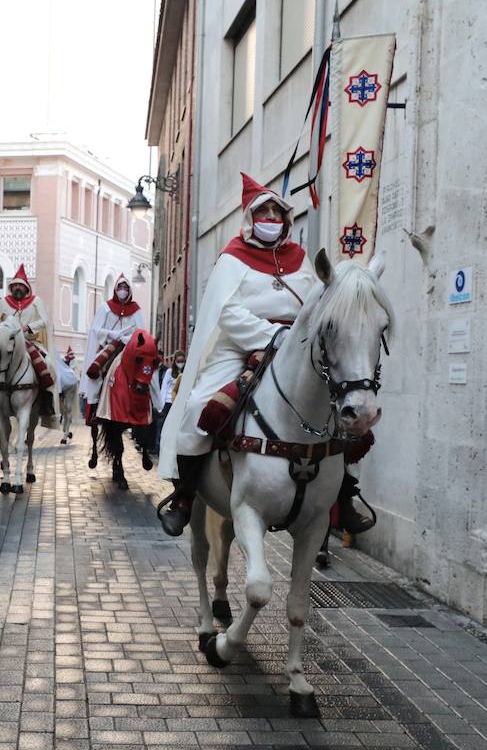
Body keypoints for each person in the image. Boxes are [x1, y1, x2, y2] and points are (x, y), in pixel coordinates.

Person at [156, 173, 320, 536]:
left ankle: (342, 493)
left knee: (336, 401)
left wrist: (297, 336)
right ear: (250, 220)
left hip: (296, 343)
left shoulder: (300, 258)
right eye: (265, 215)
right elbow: (226, 312)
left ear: (287, 221)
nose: (272, 222)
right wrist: (271, 334)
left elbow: (315, 303)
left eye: (278, 216)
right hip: (241, 342)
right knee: (200, 403)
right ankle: (184, 496)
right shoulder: (232, 258)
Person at [0, 264, 59, 426]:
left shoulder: (36, 302)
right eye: (14, 285)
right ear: (11, 287)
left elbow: (45, 321)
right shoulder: (3, 302)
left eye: (20, 285)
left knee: (48, 364)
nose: (17, 288)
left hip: (29, 341)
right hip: (6, 342)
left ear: (26, 288)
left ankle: (46, 401)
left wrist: (28, 327)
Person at [82, 273, 145, 419]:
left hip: (129, 347)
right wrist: (111, 334)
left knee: (145, 371)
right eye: (120, 287)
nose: (123, 290)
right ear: (115, 290)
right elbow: (95, 329)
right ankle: (95, 404)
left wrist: (128, 338)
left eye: (125, 288)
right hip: (109, 346)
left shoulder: (136, 309)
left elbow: (141, 332)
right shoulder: (106, 307)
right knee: (96, 370)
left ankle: (146, 405)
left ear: (129, 291)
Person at [150, 350, 185, 454]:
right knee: (163, 425)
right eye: (178, 361)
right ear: (174, 361)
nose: (180, 363)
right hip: (169, 401)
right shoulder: (170, 372)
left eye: (182, 361)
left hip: (180, 402)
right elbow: (164, 388)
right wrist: (160, 404)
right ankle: (159, 446)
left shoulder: (187, 372)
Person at [56, 348, 80, 444]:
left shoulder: (74, 361)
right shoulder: (65, 359)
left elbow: (75, 370)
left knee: (68, 407)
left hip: (70, 380)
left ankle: (66, 431)